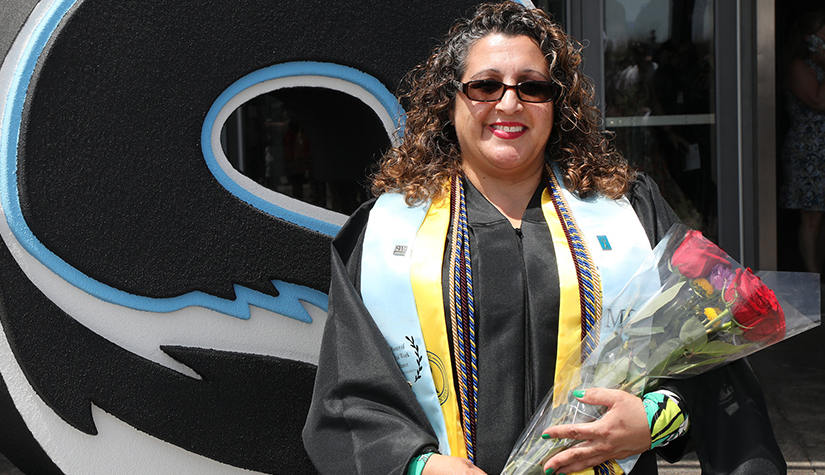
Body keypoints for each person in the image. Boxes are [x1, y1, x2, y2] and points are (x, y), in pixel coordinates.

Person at [303, 3, 784, 475]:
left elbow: (712, 348)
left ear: (558, 106)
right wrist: (418, 466)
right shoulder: (386, 230)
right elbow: (348, 391)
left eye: (533, 87)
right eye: (485, 85)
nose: (508, 103)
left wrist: (658, 418)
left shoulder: (629, 211)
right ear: (450, 102)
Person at [778, 11, 825, 273]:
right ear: (810, 38)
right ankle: (812, 275)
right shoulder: (798, 66)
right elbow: (818, 100)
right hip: (809, 151)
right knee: (812, 218)